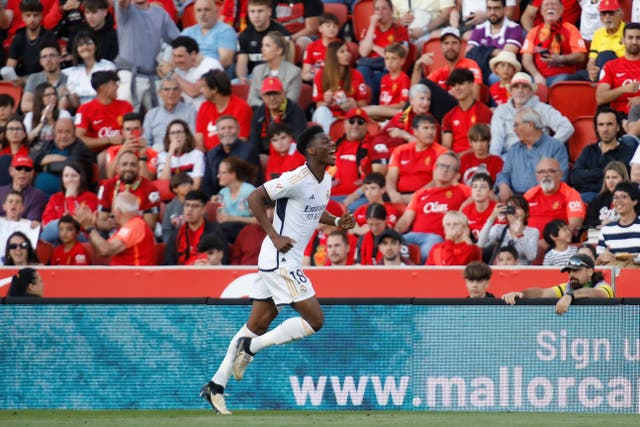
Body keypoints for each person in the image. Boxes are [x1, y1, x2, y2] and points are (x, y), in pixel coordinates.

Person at [199, 125, 355, 415]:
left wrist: (335, 222)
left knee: (256, 325)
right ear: (311, 151)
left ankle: (215, 386)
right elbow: (255, 198)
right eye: (325, 141)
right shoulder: (296, 177)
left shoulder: (326, 180)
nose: (332, 144)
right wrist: (274, 234)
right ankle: (252, 348)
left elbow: (313, 208)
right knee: (314, 320)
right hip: (280, 257)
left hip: (280, 259)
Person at [395, 151, 470, 263]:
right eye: (441, 165)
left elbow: (485, 194)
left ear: (456, 175)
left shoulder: (461, 190)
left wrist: (465, 204)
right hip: (413, 235)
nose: (445, 169)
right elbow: (406, 219)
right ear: (435, 169)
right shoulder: (421, 193)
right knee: (390, 246)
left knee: (427, 252)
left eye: (450, 167)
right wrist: (393, 234)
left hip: (436, 238)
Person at [114, 0, 179, 110]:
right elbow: (122, 3)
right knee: (126, 117)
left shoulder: (160, 13)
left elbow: (179, 41)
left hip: (154, 75)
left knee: (163, 115)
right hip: (129, 74)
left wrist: (171, 63)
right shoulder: (126, 10)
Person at [490, 72, 574, 157]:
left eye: (524, 87)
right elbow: (497, 139)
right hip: (509, 155)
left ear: (531, 92)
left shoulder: (543, 108)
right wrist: (494, 160)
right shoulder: (501, 110)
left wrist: (549, 147)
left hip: (536, 155)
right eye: (516, 87)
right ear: (511, 91)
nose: (520, 90)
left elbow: (566, 127)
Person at [501, 254, 614, 315]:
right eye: (569, 271)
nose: (571, 275)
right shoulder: (568, 287)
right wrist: (521, 294)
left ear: (589, 272)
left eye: (576, 271)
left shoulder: (603, 287)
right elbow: (542, 293)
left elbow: (599, 294)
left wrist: (570, 296)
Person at [495, 108, 569, 200]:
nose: (514, 130)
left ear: (531, 124)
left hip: (543, 198)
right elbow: (504, 174)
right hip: (516, 199)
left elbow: (560, 178)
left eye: (517, 125)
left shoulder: (555, 147)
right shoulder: (514, 149)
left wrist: (533, 196)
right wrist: (503, 185)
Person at [74, 191, 156, 266]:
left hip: (133, 279)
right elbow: (100, 250)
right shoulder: (129, 226)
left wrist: (89, 227)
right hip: (125, 277)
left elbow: (105, 250)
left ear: (118, 212)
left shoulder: (136, 225)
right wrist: (89, 226)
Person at [571, 107, 635, 202]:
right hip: (585, 198)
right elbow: (575, 177)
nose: (605, 129)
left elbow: (622, 182)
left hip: (614, 200)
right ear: (597, 128)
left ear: (618, 127)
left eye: (609, 124)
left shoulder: (628, 152)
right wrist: (603, 172)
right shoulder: (589, 150)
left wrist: (589, 175)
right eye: (601, 125)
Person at [520, 0, 587, 87]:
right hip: (539, 77)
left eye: (554, 4)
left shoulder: (571, 29)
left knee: (562, 81)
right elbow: (526, 59)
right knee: (522, 84)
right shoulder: (533, 32)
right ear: (541, 11)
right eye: (546, 4)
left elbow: (580, 56)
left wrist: (560, 59)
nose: (550, 6)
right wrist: (536, 75)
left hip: (562, 76)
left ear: (561, 10)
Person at [386, 114, 448, 204]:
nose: (430, 132)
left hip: (427, 197)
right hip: (400, 196)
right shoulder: (400, 150)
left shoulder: (441, 152)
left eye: (433, 128)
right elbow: (391, 176)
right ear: (415, 131)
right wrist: (392, 194)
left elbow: (437, 181)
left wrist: (414, 196)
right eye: (426, 128)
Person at [95, 150, 160, 233]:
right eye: (124, 164)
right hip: (113, 231)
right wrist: (108, 225)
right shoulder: (107, 185)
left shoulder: (150, 188)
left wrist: (127, 224)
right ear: (117, 168)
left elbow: (150, 225)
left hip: (139, 232)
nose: (128, 168)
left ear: (138, 168)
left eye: (133, 165)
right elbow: (100, 220)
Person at [358, 0, 409, 104]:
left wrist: (373, 46)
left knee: (379, 79)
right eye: (377, 9)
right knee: (361, 72)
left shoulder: (400, 30)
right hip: (369, 66)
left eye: (384, 8)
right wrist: (372, 25)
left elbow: (400, 54)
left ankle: (371, 109)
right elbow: (363, 52)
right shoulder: (369, 29)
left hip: (388, 67)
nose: (380, 12)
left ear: (391, 11)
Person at [312, 40, 368, 133]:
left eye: (347, 51)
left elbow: (363, 104)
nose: (347, 54)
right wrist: (327, 102)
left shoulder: (357, 74)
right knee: (322, 110)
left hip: (349, 118)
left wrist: (354, 105)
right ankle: (329, 144)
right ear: (333, 56)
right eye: (342, 51)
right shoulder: (320, 75)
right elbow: (318, 105)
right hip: (330, 116)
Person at [248, 77, 307, 163]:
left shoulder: (295, 111)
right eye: (268, 94)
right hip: (266, 157)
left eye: (275, 93)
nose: (272, 98)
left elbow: (300, 140)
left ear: (283, 94)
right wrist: (257, 156)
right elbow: (254, 143)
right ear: (262, 97)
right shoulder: (259, 113)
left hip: (290, 156)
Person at [31, 117, 95, 196]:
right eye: (60, 132)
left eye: (67, 132)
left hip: (67, 197)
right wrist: (53, 157)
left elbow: (73, 166)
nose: (63, 136)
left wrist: (46, 166)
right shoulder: (48, 145)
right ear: (54, 133)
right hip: (40, 197)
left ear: (74, 133)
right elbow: (31, 159)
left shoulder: (80, 147)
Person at [413, 27, 482, 98]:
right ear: (441, 46)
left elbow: (475, 97)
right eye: (446, 43)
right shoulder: (441, 71)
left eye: (454, 43)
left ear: (461, 45)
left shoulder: (470, 65)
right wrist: (417, 66)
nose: (450, 47)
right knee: (424, 85)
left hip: (463, 106)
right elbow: (415, 93)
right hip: (446, 107)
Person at [157, 35, 223, 110]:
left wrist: (171, 73)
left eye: (180, 56)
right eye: (174, 56)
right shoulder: (178, 70)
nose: (176, 60)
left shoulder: (210, 65)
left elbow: (194, 92)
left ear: (193, 54)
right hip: (184, 115)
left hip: (209, 113)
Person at [524, 157, 586, 236]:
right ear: (536, 176)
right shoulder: (529, 194)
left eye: (551, 171)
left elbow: (574, 227)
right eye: (541, 172)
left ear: (560, 174)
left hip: (555, 244)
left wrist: (548, 242)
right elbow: (515, 220)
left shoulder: (571, 194)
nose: (546, 175)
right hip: (526, 241)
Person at [466, 0, 524, 83]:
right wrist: (493, 51)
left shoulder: (514, 28)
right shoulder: (479, 28)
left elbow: (506, 56)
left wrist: (480, 51)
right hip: (481, 70)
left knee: (495, 77)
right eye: (489, 8)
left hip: (505, 73)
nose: (492, 12)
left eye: (496, 8)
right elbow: (468, 53)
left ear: (504, 9)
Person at [201, 115, 261, 197]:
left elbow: (255, 180)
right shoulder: (211, 154)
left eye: (230, 128)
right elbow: (207, 183)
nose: (227, 131)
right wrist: (212, 198)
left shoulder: (249, 151)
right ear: (217, 132)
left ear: (238, 130)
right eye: (223, 128)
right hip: (217, 199)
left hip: (243, 198)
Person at [75, 70, 134, 152]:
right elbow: (79, 139)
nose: (117, 86)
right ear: (102, 88)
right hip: (95, 154)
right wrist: (108, 140)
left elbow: (134, 130)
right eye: (113, 83)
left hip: (124, 151)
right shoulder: (84, 109)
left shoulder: (126, 106)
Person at [40, 161, 98, 244]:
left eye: (74, 176)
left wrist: (70, 198)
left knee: (62, 226)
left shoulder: (90, 197)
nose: (70, 180)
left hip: (81, 236)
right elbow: (46, 221)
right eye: (66, 176)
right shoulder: (55, 197)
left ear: (81, 178)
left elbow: (82, 224)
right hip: (56, 238)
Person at [165, 190, 228, 265]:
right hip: (181, 274)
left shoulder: (215, 232)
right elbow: (168, 263)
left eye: (195, 206)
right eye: (187, 205)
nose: (189, 209)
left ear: (203, 210)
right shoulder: (177, 234)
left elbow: (224, 261)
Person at [196, 69, 253, 151]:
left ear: (214, 89)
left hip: (233, 157)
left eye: (204, 86)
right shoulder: (204, 107)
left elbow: (242, 141)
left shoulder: (242, 107)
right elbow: (199, 141)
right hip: (209, 157)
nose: (201, 90)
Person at [235, 0, 290, 84]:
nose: (256, 16)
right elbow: (242, 63)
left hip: (275, 76)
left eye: (260, 11)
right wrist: (242, 78)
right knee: (234, 83)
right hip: (252, 76)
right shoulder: (244, 35)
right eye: (252, 11)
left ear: (269, 11)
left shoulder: (281, 33)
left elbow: (286, 63)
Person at [330, 107, 374, 209]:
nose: (355, 125)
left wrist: (354, 195)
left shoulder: (372, 146)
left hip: (359, 198)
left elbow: (375, 178)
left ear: (366, 126)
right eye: (351, 121)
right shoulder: (333, 146)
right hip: (331, 197)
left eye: (360, 122)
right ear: (345, 124)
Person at [441, 68, 493, 153]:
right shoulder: (449, 116)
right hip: (455, 161)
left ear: (472, 85)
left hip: (476, 159)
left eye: (461, 83)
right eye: (453, 85)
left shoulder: (483, 111)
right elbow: (446, 146)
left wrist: (461, 157)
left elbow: (483, 144)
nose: (457, 88)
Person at [478, 194, 540, 265]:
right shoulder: (499, 228)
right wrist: (491, 218)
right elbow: (481, 244)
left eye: (518, 208)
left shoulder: (532, 232)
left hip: (522, 272)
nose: (514, 212)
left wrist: (519, 234)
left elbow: (531, 256)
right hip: (501, 272)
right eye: (511, 208)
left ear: (526, 213)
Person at [62, 31, 117, 109]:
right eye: (80, 45)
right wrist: (67, 95)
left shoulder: (107, 66)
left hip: (103, 108)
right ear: (76, 50)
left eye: (89, 43)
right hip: (81, 112)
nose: (85, 47)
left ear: (96, 46)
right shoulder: (73, 72)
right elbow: (74, 104)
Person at [247, 30, 301, 108]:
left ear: (279, 50)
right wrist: (267, 107)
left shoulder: (294, 72)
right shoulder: (257, 70)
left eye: (267, 45)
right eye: (263, 45)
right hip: (261, 113)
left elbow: (290, 102)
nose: (262, 49)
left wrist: (272, 109)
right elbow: (251, 99)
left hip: (284, 115)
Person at [596, 23, 640, 117]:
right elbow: (600, 98)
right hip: (618, 117)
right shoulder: (610, 66)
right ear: (623, 40)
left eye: (638, 38)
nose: (634, 42)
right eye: (630, 38)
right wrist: (623, 89)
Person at [143, 77, 197, 153]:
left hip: (183, 153)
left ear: (180, 92)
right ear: (160, 93)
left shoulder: (190, 111)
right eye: (166, 89)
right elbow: (146, 142)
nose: (171, 92)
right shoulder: (151, 114)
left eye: (175, 89)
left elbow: (193, 138)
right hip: (157, 155)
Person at [6, 0, 56, 79]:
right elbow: (10, 67)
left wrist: (26, 80)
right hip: (22, 79)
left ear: (41, 16)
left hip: (44, 80)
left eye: (35, 15)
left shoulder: (49, 37)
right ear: (23, 17)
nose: (32, 19)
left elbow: (52, 67)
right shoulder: (19, 37)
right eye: (28, 15)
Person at [180, 0, 236, 69]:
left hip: (214, 75)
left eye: (207, 9)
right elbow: (176, 55)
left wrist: (202, 67)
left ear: (216, 12)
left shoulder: (225, 30)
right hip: (188, 71)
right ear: (195, 13)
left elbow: (226, 61)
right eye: (199, 10)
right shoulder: (187, 32)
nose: (202, 14)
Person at [214, 156, 258, 243]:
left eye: (222, 173)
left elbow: (259, 220)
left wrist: (233, 218)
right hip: (227, 231)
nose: (218, 176)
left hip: (248, 231)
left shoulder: (248, 191)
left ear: (232, 174)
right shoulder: (222, 193)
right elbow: (220, 218)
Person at [596, 182, 640, 264]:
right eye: (615, 197)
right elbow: (599, 261)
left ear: (634, 201)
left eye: (623, 197)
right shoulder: (606, 230)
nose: (618, 201)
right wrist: (602, 257)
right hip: (614, 272)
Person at [104, 112, 158, 180]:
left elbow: (146, 180)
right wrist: (122, 151)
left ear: (142, 130)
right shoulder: (112, 150)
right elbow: (110, 176)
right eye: (128, 129)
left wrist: (142, 155)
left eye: (136, 128)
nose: (131, 133)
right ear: (122, 132)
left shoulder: (152, 153)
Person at [21, 41, 69, 114]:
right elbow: (25, 105)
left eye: (52, 55)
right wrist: (49, 107)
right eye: (44, 57)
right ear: (40, 61)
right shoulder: (34, 78)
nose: (48, 60)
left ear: (60, 58)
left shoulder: (69, 78)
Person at [583, 0, 625, 82]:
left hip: (622, 73)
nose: (607, 17)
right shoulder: (598, 34)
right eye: (603, 14)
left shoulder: (629, 31)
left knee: (605, 55)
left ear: (620, 13)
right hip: (599, 73)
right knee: (567, 78)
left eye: (611, 13)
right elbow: (592, 60)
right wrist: (592, 71)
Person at [156, 119, 205, 190]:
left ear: (186, 135)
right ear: (168, 137)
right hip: (169, 197)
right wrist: (170, 153)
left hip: (190, 196)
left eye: (179, 132)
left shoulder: (197, 154)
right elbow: (163, 182)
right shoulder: (162, 156)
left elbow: (196, 185)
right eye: (172, 133)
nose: (176, 136)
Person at [0, 155, 48, 223]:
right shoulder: (0, 192)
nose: (23, 172)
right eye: (19, 168)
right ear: (11, 171)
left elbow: (32, 221)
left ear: (32, 173)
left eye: (27, 169)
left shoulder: (37, 195)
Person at [584, 160, 629, 230]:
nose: (610, 181)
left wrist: (615, 222)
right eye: (607, 178)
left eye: (614, 177)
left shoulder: (633, 198)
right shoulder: (598, 200)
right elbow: (588, 224)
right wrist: (602, 222)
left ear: (623, 179)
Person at [0, 192, 41, 264]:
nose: (14, 204)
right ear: (4, 206)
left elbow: (30, 250)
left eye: (17, 202)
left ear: (22, 208)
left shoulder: (30, 225)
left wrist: (37, 226)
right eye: (10, 201)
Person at [231, 199, 274, 265]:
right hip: (246, 273)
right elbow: (236, 259)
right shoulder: (245, 232)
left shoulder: (282, 230)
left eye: (267, 208)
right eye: (258, 208)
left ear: (274, 210)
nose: (262, 212)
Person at [301, 12, 340, 83]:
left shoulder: (341, 46)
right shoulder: (311, 47)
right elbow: (305, 74)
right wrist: (318, 76)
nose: (332, 29)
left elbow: (344, 71)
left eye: (334, 26)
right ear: (320, 29)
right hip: (316, 80)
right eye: (328, 26)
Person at [462, 171, 497, 241]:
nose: (478, 190)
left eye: (483, 187)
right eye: (475, 186)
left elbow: (497, 239)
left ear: (490, 192)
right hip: (473, 247)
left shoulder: (498, 209)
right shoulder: (466, 210)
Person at [161, 172, 193, 243]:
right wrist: (170, 244)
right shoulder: (170, 207)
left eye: (190, 184)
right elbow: (166, 229)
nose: (188, 186)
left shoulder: (196, 203)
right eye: (184, 184)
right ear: (175, 189)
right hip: (176, 242)